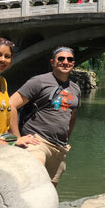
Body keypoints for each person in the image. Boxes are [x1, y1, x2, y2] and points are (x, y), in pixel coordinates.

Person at [9, 46, 81, 186]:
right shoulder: (39, 81)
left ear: (73, 63)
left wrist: (66, 141)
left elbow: (72, 117)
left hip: (59, 147)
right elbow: (10, 105)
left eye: (69, 59)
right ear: (52, 62)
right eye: (61, 58)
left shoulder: (75, 88)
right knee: (35, 177)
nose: (65, 62)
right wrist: (16, 138)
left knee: (49, 190)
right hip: (37, 141)